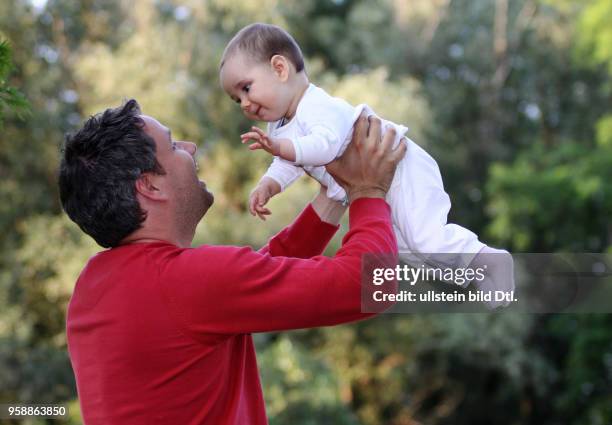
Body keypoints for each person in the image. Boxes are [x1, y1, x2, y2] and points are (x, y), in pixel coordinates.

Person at [58, 99, 405, 424]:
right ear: (150, 186)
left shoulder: (92, 287)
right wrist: (368, 192)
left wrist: (334, 195)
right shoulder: (185, 281)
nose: (191, 148)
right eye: (175, 145)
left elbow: (245, 284)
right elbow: (370, 283)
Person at [219, 22, 514, 296]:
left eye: (246, 88)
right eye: (236, 99)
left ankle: (490, 260)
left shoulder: (316, 105)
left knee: (424, 239)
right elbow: (288, 163)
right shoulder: (282, 125)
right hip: (378, 183)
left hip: (399, 169)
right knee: (407, 250)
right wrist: (269, 184)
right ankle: (478, 276)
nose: (244, 103)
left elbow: (325, 146)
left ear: (280, 68)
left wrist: (280, 147)